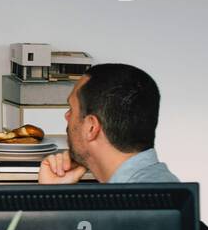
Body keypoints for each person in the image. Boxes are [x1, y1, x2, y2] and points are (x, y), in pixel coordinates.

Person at [38, 63, 179, 184]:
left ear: (91, 127)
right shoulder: (157, 191)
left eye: (72, 109)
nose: (66, 116)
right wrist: (53, 194)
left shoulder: (134, 202)